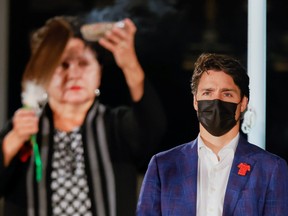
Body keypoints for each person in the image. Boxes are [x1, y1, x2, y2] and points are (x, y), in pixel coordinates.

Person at [0, 16, 166, 216]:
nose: (73, 74)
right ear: (43, 73)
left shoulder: (115, 127)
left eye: (83, 63)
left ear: (99, 72)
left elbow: (152, 128)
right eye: (62, 65)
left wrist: (129, 64)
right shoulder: (23, 128)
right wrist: (15, 139)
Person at [136, 53, 288, 215]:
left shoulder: (270, 168)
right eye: (208, 93)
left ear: (243, 103)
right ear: (195, 101)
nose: (216, 101)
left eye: (227, 94)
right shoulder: (164, 166)